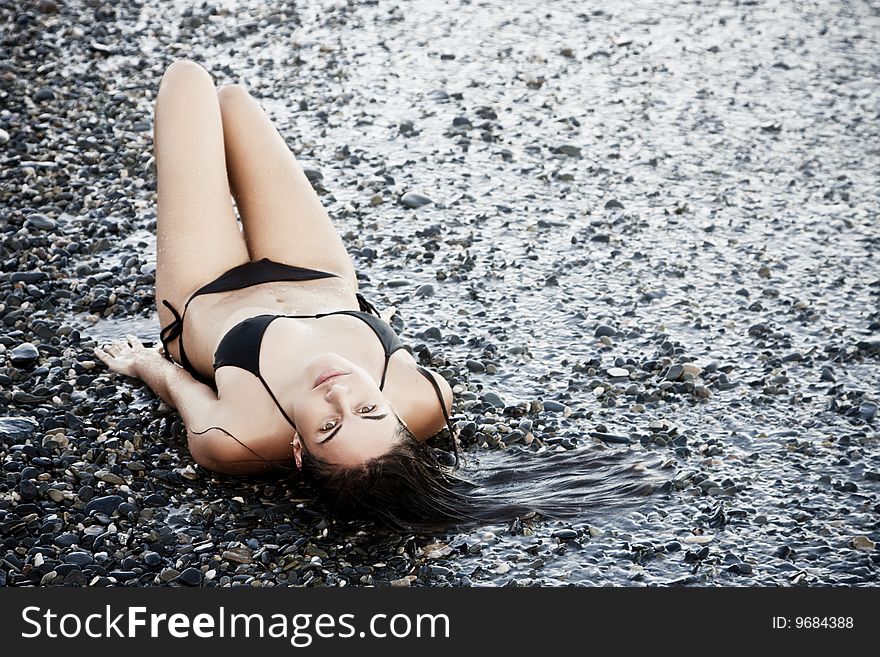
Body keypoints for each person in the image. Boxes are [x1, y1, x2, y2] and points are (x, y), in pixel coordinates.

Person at [94, 59, 464, 531]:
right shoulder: (429, 397)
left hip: (206, 289)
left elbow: (178, 386)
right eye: (369, 409)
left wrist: (140, 361)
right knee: (234, 103)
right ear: (398, 416)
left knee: (187, 80)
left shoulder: (233, 438)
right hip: (314, 271)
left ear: (297, 448)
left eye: (327, 427)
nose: (339, 394)